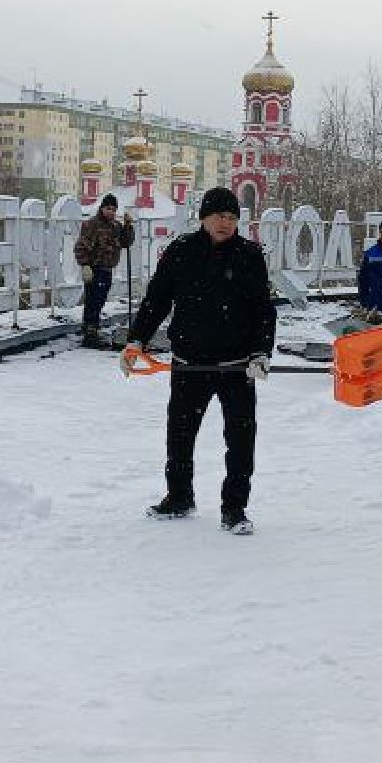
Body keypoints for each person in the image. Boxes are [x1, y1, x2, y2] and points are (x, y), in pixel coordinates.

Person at [123, 187, 276, 534]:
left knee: (240, 439)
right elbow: (156, 300)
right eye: (220, 215)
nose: (226, 223)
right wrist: (136, 341)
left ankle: (234, 508)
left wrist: (261, 352)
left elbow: (262, 311)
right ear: (204, 217)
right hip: (188, 362)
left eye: (233, 217)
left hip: (237, 366)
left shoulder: (249, 255)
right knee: (179, 434)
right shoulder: (181, 251)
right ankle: (179, 496)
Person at [71, 193, 135, 346]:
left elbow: (126, 242)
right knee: (93, 301)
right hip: (95, 268)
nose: (111, 212)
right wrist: (85, 265)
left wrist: (128, 226)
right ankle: (90, 333)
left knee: (99, 301)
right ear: (102, 208)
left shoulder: (115, 226)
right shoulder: (92, 225)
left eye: (114, 209)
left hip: (107, 268)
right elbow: (80, 247)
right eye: (108, 208)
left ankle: (92, 329)